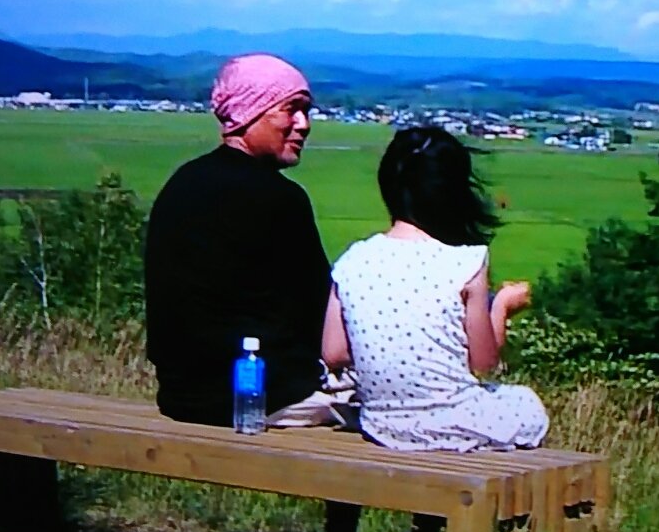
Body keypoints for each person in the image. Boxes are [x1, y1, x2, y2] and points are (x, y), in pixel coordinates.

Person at [143, 53, 349, 429]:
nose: (303, 125)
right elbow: (319, 313)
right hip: (263, 398)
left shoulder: (182, 183)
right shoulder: (279, 199)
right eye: (292, 110)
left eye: (306, 112)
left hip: (182, 396)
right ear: (250, 111)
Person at [322, 126, 548, 453]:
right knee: (526, 404)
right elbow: (483, 363)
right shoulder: (466, 261)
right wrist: (499, 306)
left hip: (382, 424)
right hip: (455, 420)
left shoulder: (352, 260)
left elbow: (333, 353)